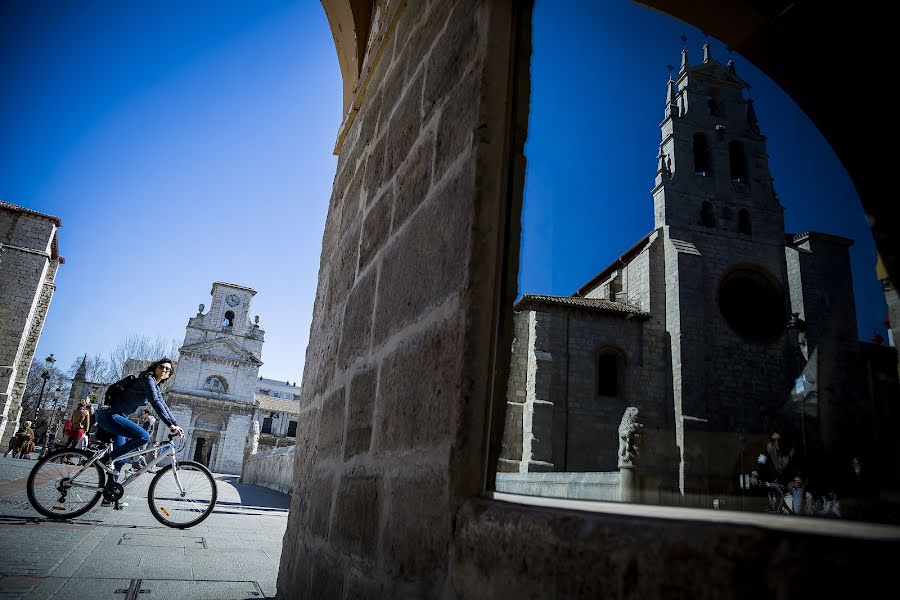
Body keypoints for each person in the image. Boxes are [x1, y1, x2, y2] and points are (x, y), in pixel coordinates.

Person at [95, 359, 183, 503]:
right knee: (144, 437)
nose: (164, 370)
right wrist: (169, 424)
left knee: (120, 459)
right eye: (162, 367)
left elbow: (162, 404)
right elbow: (155, 402)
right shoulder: (147, 379)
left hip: (116, 417)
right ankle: (107, 458)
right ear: (155, 368)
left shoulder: (154, 385)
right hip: (110, 415)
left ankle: (110, 494)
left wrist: (175, 424)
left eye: (168, 370)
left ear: (168, 375)